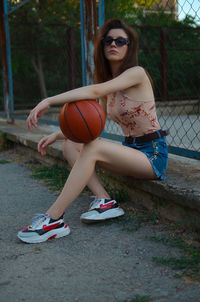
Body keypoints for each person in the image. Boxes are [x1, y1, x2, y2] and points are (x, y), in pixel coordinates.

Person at [17, 18, 168, 244]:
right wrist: (58, 135)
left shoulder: (137, 73)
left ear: (129, 47)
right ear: (102, 46)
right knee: (72, 144)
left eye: (120, 40)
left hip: (153, 155)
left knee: (93, 147)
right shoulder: (111, 85)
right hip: (131, 151)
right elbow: (92, 128)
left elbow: (95, 90)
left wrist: (49, 100)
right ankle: (104, 200)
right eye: (108, 40)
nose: (113, 44)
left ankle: (53, 219)